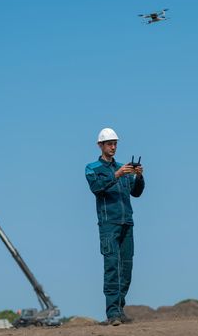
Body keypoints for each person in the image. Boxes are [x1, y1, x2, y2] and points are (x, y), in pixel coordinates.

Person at [85, 128, 145, 326]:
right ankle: (112, 314)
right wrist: (117, 174)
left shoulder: (123, 169)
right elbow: (97, 188)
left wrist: (139, 177)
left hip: (127, 222)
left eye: (115, 143)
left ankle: (119, 310)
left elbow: (136, 193)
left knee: (126, 268)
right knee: (112, 268)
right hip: (108, 224)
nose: (113, 146)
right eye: (109, 143)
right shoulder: (92, 168)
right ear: (100, 145)